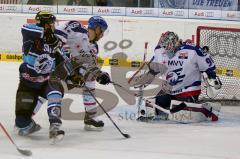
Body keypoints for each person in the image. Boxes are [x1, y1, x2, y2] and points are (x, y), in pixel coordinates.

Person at [133, 31, 222, 122]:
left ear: (175, 43)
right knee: (152, 105)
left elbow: (208, 66)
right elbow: (152, 70)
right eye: (165, 47)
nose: (167, 49)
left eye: (170, 46)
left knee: (179, 112)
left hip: (188, 90)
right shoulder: (159, 52)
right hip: (168, 90)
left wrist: (212, 77)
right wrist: (144, 80)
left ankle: (195, 106)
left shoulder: (192, 50)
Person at [15, 11, 65, 141]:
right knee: (21, 123)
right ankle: (27, 124)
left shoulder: (56, 41)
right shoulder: (30, 33)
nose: (54, 26)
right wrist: (45, 34)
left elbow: (62, 62)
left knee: (56, 88)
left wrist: (73, 75)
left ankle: (55, 123)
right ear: (46, 24)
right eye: (52, 24)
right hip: (28, 81)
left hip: (46, 80)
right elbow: (25, 28)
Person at [54, 16, 111, 131]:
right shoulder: (78, 29)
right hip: (58, 64)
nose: (102, 35)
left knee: (90, 79)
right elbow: (59, 34)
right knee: (51, 87)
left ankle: (90, 117)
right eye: (102, 31)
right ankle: (26, 118)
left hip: (74, 71)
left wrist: (99, 75)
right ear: (97, 29)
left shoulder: (94, 47)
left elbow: (88, 64)